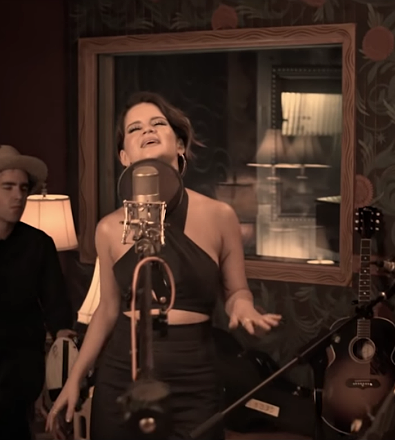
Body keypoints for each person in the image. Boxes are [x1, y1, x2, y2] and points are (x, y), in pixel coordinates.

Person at [46, 91, 283, 440]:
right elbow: (108, 309)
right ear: (124, 156)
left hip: (194, 376)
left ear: (180, 144)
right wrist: (74, 379)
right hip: (122, 373)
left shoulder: (220, 216)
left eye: (158, 123)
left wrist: (243, 307)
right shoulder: (109, 229)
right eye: (135, 128)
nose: (148, 130)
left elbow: (236, 291)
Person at [0, 144, 75, 440]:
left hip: (20, 374)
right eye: (7, 187)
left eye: (23, 188)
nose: (18, 196)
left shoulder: (39, 244)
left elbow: (58, 309)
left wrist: (59, 374)